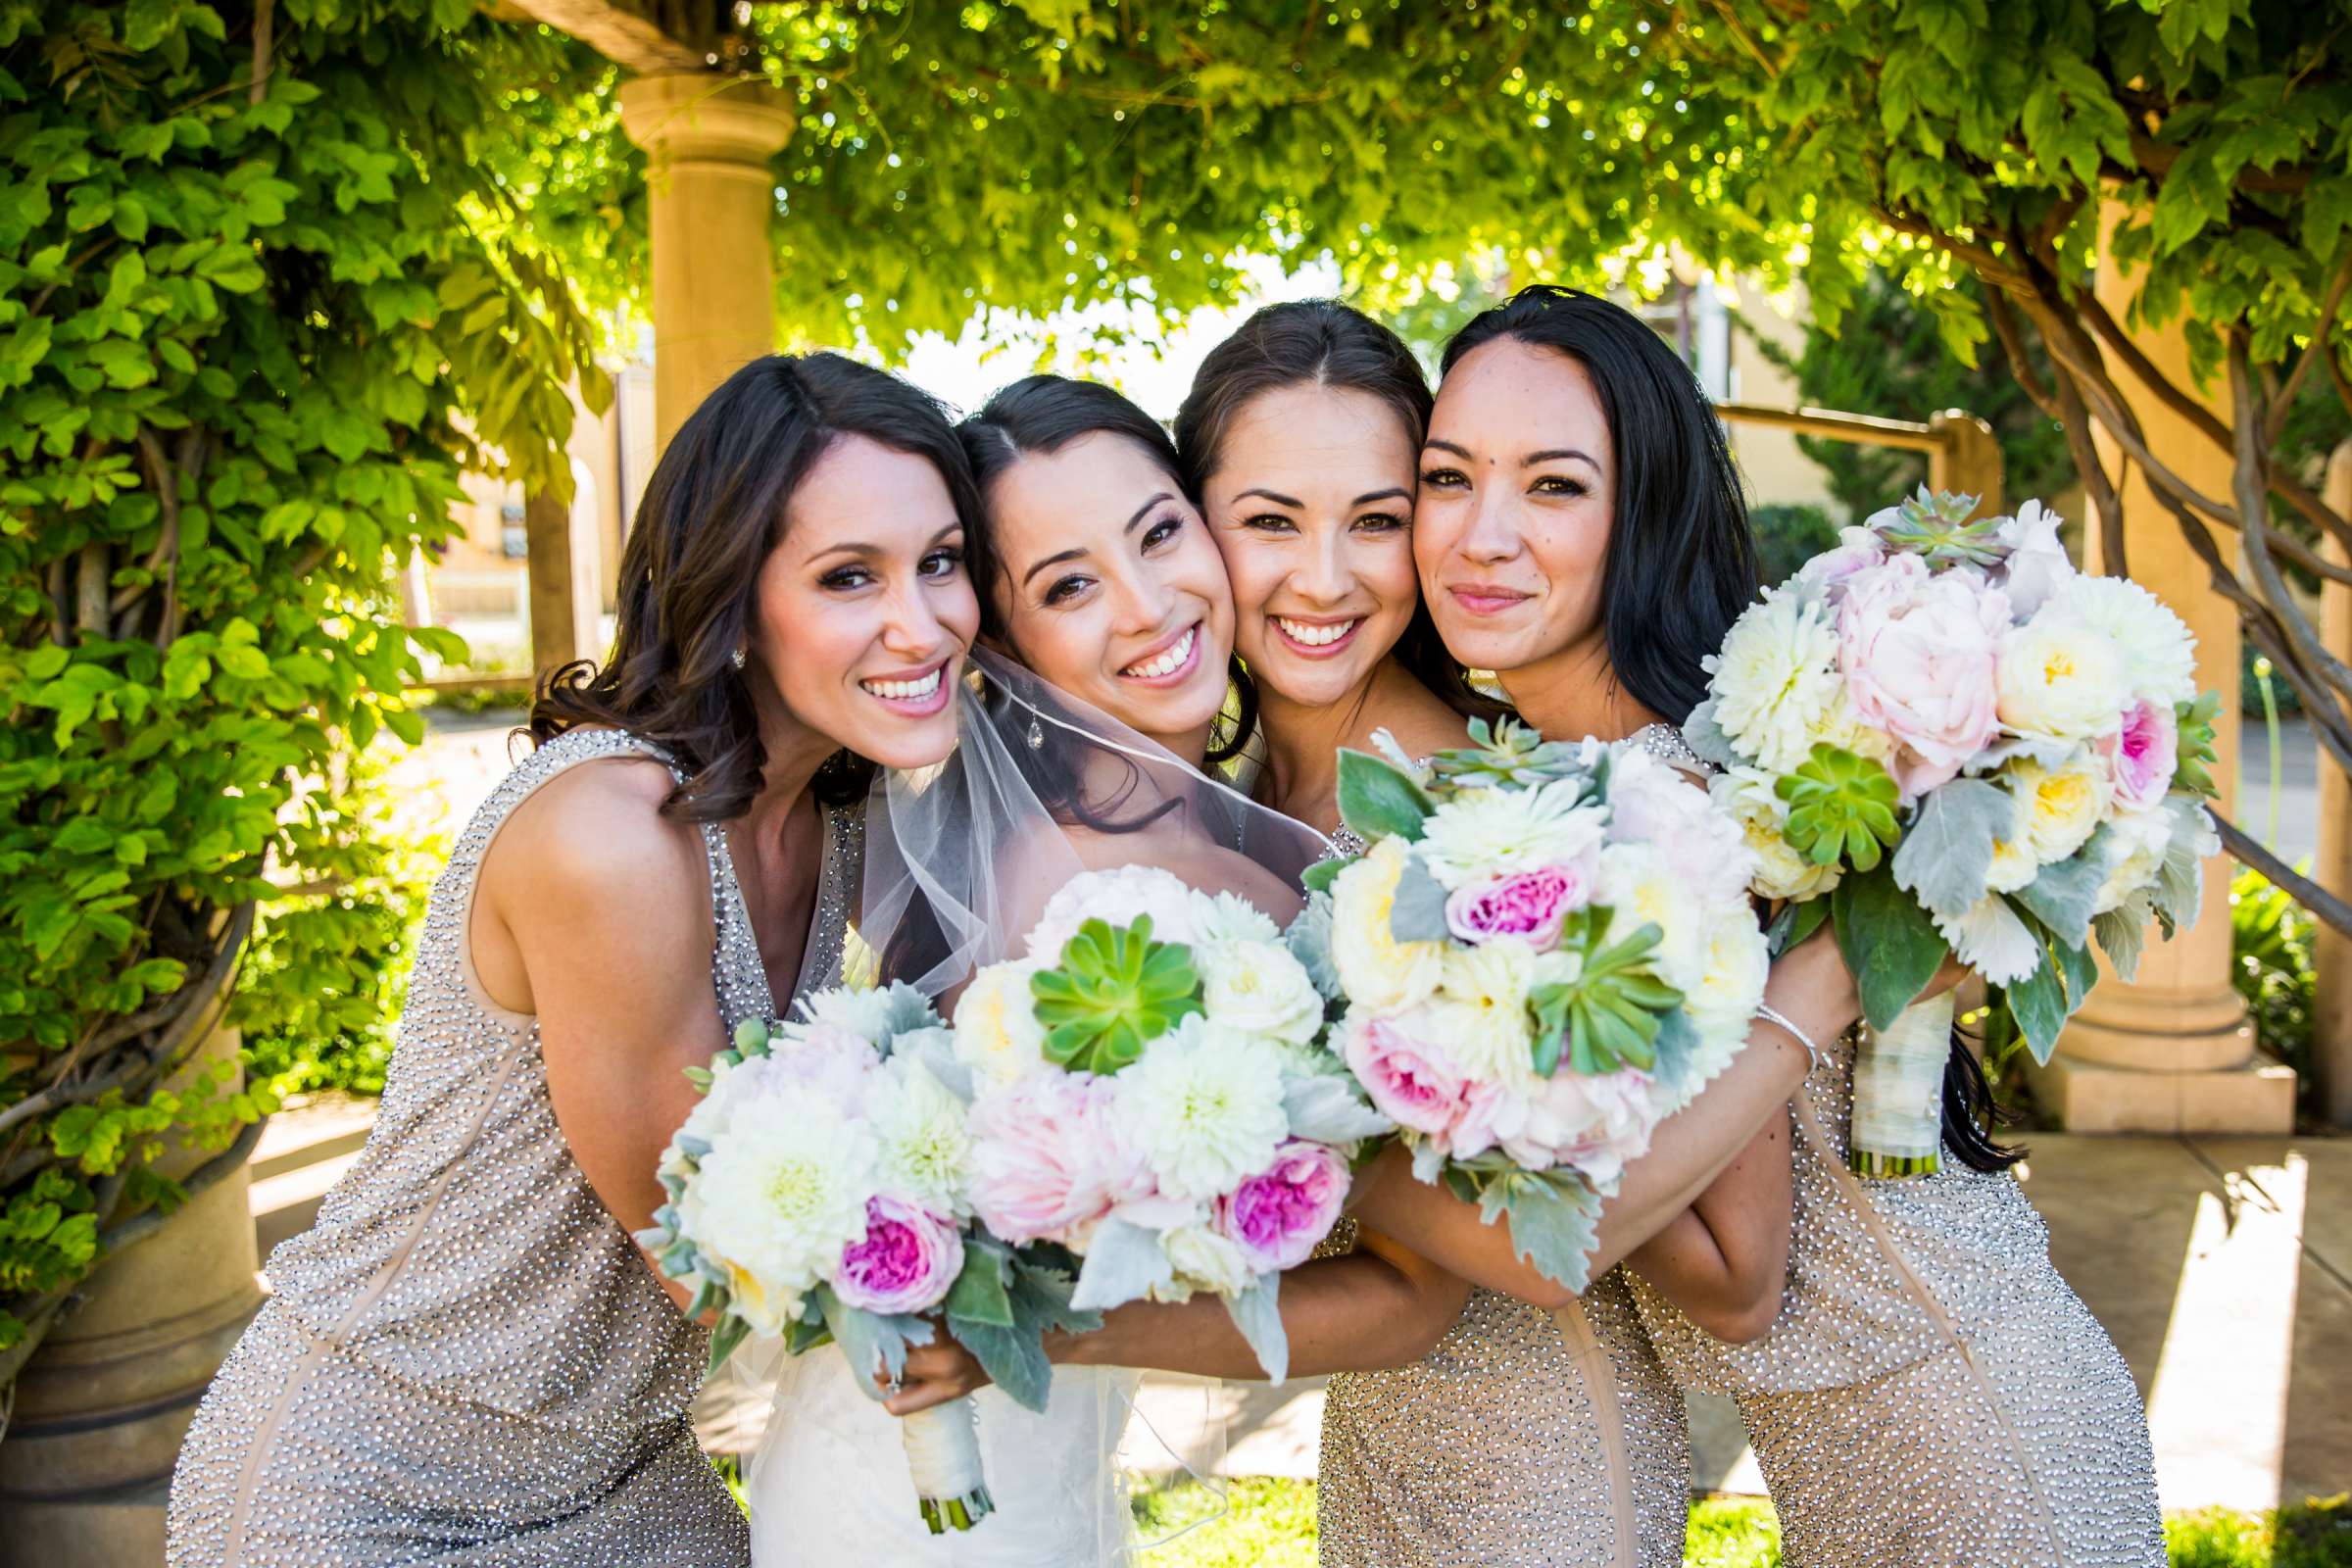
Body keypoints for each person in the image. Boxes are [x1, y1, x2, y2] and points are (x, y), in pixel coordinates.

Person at [167, 354, 982, 1566]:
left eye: (943, 561)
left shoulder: (846, 811)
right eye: (848, 577)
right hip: (374, 1483)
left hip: (627, 1467)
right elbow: (716, 1260)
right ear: (731, 597)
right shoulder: (612, 837)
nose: (921, 622)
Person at [1417, 284, 2164, 1567]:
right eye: (1446, 477)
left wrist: (1497, 1124)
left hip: (1974, 1445)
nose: (1483, 535)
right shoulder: (1649, 777)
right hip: (1873, 1449)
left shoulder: (1674, 806)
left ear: (1640, 512)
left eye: (1553, 487)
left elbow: (1732, 1280)